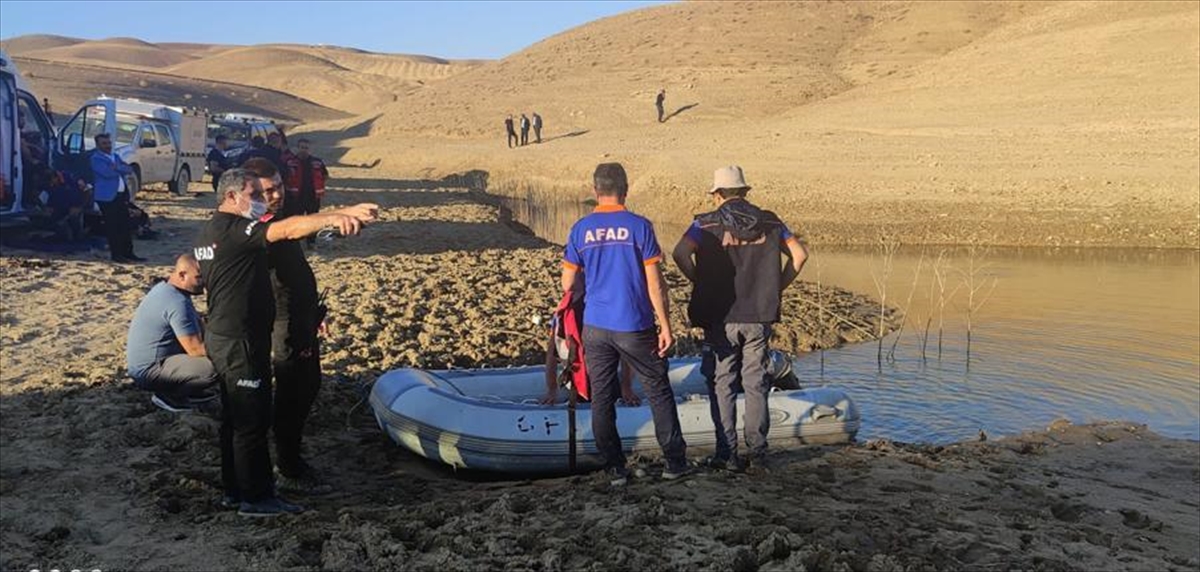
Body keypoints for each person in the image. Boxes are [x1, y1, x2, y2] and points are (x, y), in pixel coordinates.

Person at [194, 167, 376, 517]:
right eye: (255, 194)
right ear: (232, 197)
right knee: (252, 420)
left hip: (226, 334)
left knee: (235, 419)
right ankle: (257, 498)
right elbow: (288, 228)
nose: (262, 201)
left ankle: (235, 491)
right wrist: (339, 214)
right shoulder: (234, 229)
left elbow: (290, 234)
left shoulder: (212, 230)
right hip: (240, 338)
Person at [671, 166, 808, 473]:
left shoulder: (704, 223)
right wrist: (776, 287)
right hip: (759, 315)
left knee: (722, 384)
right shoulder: (771, 221)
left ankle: (727, 454)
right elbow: (799, 256)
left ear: (717, 194)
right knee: (756, 382)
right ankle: (758, 454)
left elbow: (680, 254)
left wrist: (700, 282)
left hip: (720, 315)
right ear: (745, 192)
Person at [562, 162, 688, 485]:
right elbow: (654, 284)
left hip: (595, 326)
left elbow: (568, 283)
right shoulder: (640, 226)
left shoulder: (580, 229)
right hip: (634, 323)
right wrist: (666, 324)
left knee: (602, 396)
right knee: (658, 390)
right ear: (626, 189)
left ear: (595, 191)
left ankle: (615, 468)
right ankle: (674, 462)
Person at [244, 158, 339, 494]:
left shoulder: (280, 214)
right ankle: (289, 466)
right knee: (291, 392)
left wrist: (314, 313)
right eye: (268, 190)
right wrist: (336, 217)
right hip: (282, 323)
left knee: (309, 385)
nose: (277, 195)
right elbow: (289, 231)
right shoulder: (254, 224)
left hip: (302, 317)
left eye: (280, 186)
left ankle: (290, 454)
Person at [126, 254, 219, 412]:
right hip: (149, 370)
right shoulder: (177, 303)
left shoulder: (165, 289)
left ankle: (189, 388)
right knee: (215, 367)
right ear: (182, 275)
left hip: (144, 364)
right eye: (199, 278)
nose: (204, 283)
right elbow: (195, 349)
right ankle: (170, 395)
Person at [539, 280, 640, 406]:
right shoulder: (565, 314)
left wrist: (627, 387)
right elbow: (552, 353)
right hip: (581, 381)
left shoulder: (605, 307)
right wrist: (551, 389)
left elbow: (626, 351)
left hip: (605, 378)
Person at [91, 133, 143, 262]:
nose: (107, 146)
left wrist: (117, 167)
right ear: (98, 145)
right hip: (107, 197)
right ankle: (117, 255)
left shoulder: (115, 157)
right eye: (104, 143)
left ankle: (128, 253)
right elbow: (107, 173)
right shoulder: (95, 158)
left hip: (120, 195)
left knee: (125, 225)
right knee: (113, 226)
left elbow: (129, 169)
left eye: (108, 143)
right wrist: (118, 169)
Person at [283, 138, 329, 218]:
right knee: (296, 219)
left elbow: (325, 175)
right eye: (302, 147)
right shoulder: (290, 162)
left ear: (309, 149)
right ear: (298, 148)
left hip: (313, 196)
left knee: (313, 219)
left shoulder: (317, 162)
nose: (304, 150)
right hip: (296, 196)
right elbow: (284, 176)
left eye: (306, 148)